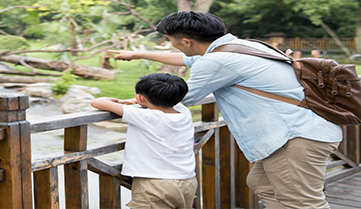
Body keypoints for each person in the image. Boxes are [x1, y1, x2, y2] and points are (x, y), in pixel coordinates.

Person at [108, 11, 342, 209]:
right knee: (262, 184)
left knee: (303, 202)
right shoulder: (241, 46)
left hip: (295, 136)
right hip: (305, 129)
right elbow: (185, 59)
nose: (172, 44)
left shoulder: (217, 61)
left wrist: (134, 101)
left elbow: (175, 98)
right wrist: (137, 54)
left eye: (171, 39)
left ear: (187, 41)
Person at [90, 73, 197, 209]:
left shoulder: (146, 116)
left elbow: (97, 102)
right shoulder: (184, 112)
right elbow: (177, 102)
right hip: (187, 181)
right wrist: (142, 100)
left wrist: (122, 102)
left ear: (140, 97)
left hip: (155, 184)